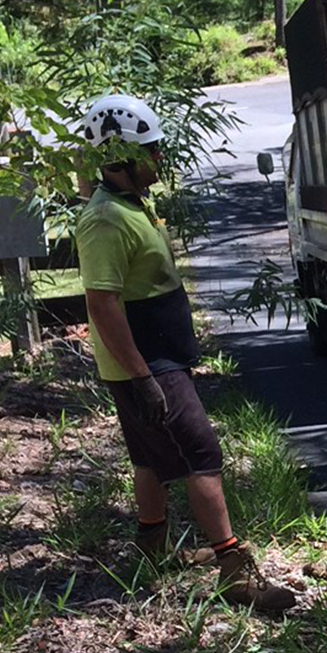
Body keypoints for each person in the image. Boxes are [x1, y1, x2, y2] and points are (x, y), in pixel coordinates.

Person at [75, 92, 295, 618]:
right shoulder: (104, 220)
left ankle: (150, 549)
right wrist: (144, 376)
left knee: (149, 456)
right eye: (150, 151)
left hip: (151, 361)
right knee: (202, 454)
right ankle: (235, 572)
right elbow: (101, 304)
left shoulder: (124, 205)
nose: (160, 158)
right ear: (122, 158)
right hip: (148, 364)